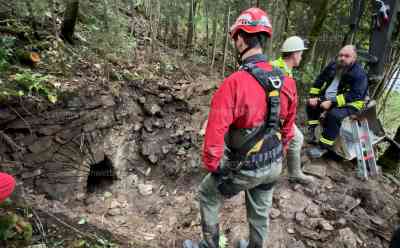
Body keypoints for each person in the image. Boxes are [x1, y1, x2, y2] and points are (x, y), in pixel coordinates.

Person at [184, 7, 297, 248]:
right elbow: (288, 128)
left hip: (245, 167)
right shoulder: (286, 81)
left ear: (241, 38)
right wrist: (280, 155)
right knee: (261, 208)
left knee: (207, 194)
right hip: (274, 163)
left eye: (235, 36)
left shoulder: (234, 83)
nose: (235, 41)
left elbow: (215, 130)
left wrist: (214, 166)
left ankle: (210, 245)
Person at [306, 45, 368, 158]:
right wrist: (313, 96)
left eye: (347, 56)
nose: (342, 58)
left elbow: (355, 95)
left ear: (354, 58)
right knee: (310, 104)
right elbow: (319, 80)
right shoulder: (333, 66)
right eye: (341, 55)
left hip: (351, 103)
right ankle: (313, 132)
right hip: (331, 98)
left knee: (334, 115)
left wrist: (332, 103)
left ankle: (323, 147)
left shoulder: (360, 74)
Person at [272, 36, 314, 186]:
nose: (301, 57)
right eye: (301, 54)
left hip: (272, 114)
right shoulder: (281, 71)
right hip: (273, 117)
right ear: (295, 54)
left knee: (297, 137)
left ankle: (292, 172)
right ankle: (293, 173)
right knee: (295, 138)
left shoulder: (280, 66)